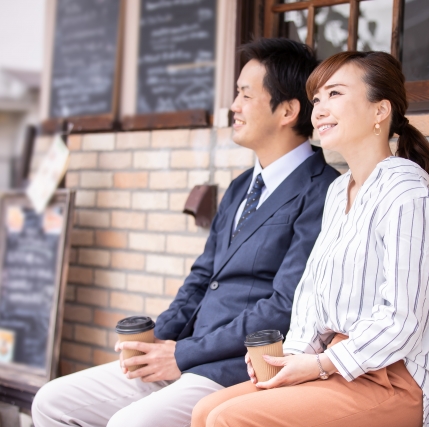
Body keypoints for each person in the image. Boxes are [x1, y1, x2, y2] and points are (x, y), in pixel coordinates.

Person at [31, 38, 340, 427]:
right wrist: (158, 339)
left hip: (234, 366)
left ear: (288, 110)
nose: (234, 106)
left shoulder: (323, 190)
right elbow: (201, 278)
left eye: (245, 95)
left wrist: (182, 354)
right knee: (51, 401)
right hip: (185, 351)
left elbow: (283, 307)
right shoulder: (242, 185)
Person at [191, 50, 429, 427]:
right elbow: (310, 300)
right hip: (334, 366)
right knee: (205, 410)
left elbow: (402, 319)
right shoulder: (338, 193)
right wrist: (289, 361)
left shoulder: (405, 194)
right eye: (316, 98)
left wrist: (318, 365)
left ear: (380, 111)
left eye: (334, 94)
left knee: (229, 419)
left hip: (392, 378)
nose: (318, 109)